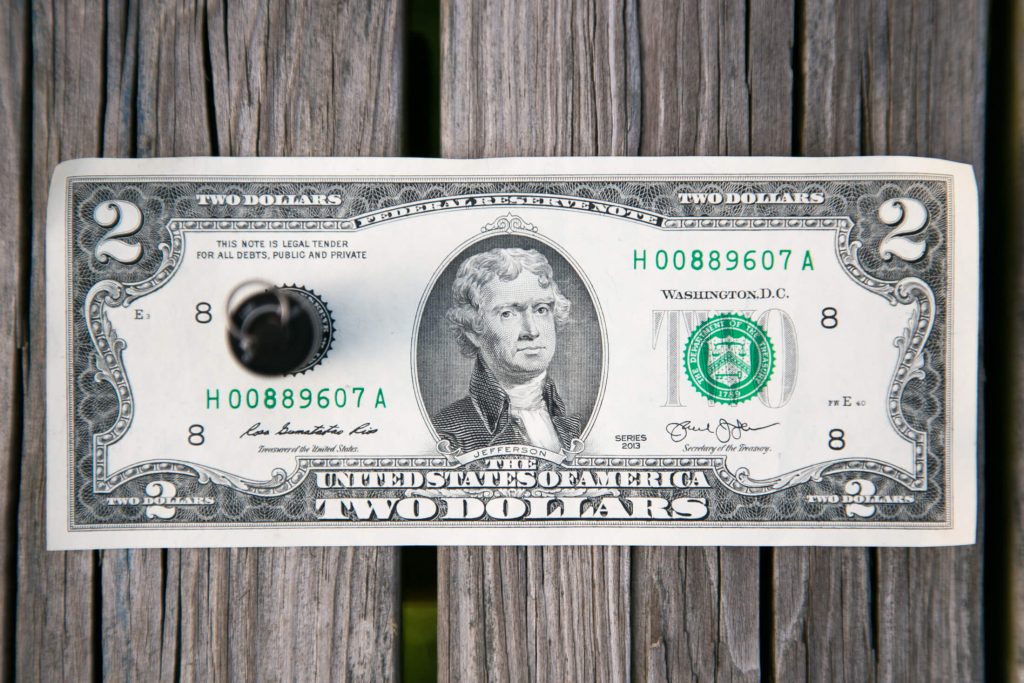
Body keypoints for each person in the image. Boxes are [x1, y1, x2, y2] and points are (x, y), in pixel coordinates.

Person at [432, 247, 582, 452]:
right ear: (473, 331)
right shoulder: (448, 433)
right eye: (508, 313)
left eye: (541, 309)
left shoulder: (575, 427)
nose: (532, 331)